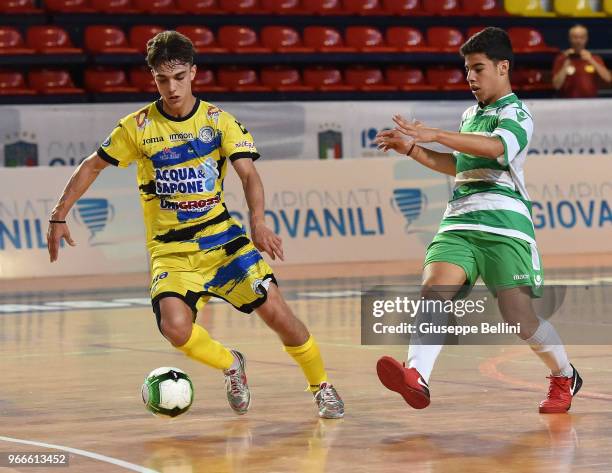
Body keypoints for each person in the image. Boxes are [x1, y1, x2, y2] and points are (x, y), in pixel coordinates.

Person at [46, 31, 343, 419]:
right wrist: (59, 213)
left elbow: (249, 175)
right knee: (175, 329)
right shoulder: (136, 127)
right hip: (170, 251)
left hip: (223, 242)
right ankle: (232, 365)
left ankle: (321, 386)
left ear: (193, 73)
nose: (172, 88)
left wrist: (258, 222)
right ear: (153, 78)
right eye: (162, 79)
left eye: (179, 77)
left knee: (279, 316)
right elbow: (92, 165)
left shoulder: (219, 122)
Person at [374, 27, 582, 414]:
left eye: (478, 68)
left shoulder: (517, 113)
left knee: (518, 316)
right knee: (435, 288)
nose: (470, 77)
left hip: (504, 224)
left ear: (503, 67)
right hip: (459, 222)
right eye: (467, 69)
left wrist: (436, 133)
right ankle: (416, 375)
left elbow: (495, 148)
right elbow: (459, 165)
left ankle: (563, 375)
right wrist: (414, 149)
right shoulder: (471, 114)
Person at [552, 24, 611, 98]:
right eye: (575, 37)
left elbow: (608, 78)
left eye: (581, 37)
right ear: (570, 39)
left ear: (586, 39)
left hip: (591, 103)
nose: (578, 40)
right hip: (567, 103)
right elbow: (556, 86)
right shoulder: (562, 59)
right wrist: (566, 63)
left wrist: (591, 60)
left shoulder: (595, 58)